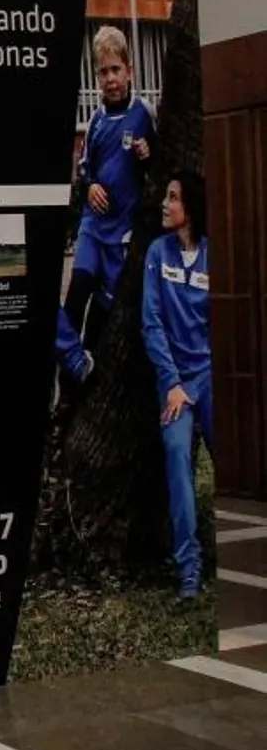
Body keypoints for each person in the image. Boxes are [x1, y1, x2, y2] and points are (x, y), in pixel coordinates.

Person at [58, 25, 154, 384]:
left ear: (129, 71)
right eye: (103, 72)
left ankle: (85, 378)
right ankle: (67, 379)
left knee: (102, 316)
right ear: (96, 76)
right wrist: (91, 186)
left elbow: (160, 166)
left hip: (122, 234)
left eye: (116, 70)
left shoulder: (143, 113)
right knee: (77, 291)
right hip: (94, 228)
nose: (110, 79)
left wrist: (148, 154)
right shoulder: (96, 121)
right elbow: (85, 169)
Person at [142, 169, 212, 600]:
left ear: (191, 207)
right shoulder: (157, 253)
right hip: (173, 383)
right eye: (166, 196)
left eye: (173, 198)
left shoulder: (213, 254)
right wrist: (171, 382)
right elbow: (151, 323)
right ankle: (189, 569)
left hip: (210, 376)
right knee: (177, 455)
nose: (165, 205)